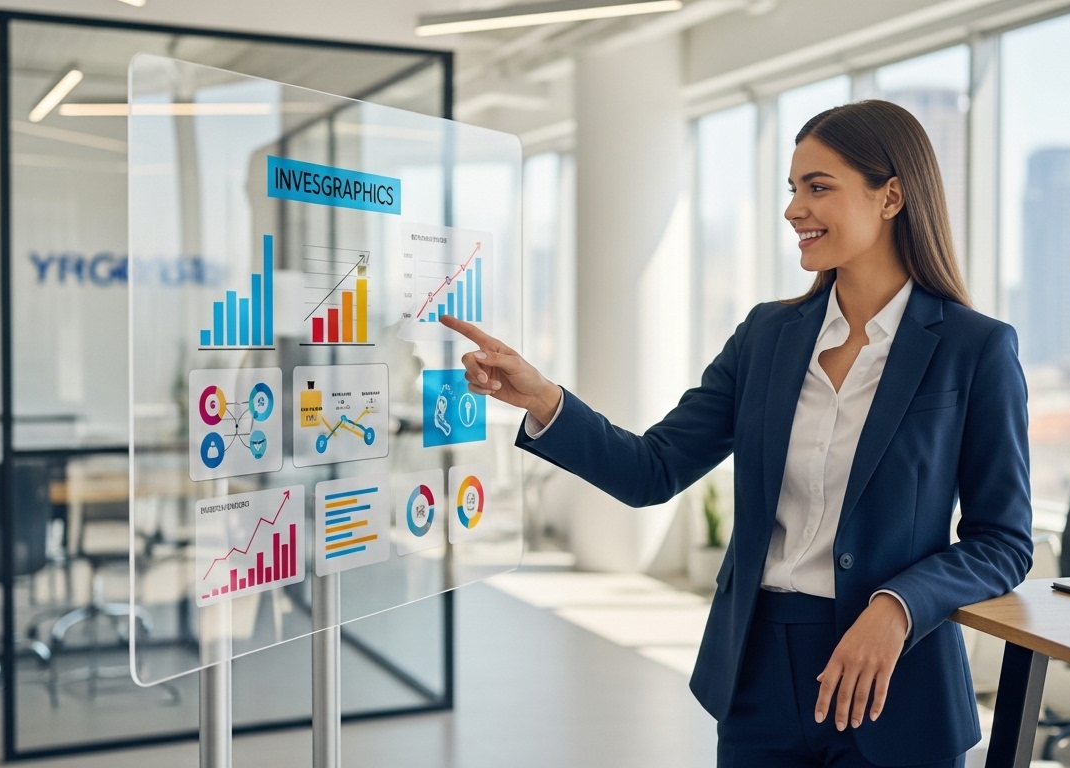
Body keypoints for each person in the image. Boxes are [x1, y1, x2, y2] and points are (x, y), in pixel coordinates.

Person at [441, 99, 1033, 768]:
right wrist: (544, 399)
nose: (793, 210)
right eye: (792, 189)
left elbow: (1002, 542)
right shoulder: (766, 338)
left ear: (891, 195)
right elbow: (653, 469)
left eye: (818, 187)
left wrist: (899, 607)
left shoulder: (973, 349)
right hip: (757, 678)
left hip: (892, 681)